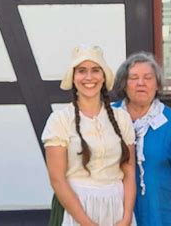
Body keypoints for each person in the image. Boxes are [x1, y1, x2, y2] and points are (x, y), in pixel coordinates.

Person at [42, 45, 136, 226]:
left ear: (103, 77)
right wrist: (87, 223)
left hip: (116, 207)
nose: (89, 77)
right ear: (73, 78)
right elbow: (57, 179)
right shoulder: (59, 120)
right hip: (77, 209)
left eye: (95, 70)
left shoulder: (121, 119)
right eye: (81, 71)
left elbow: (129, 172)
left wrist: (126, 218)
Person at [112, 52, 171, 226]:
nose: (141, 83)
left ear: (157, 85)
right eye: (133, 78)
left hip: (160, 214)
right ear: (124, 84)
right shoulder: (109, 116)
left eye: (148, 77)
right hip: (114, 213)